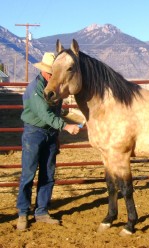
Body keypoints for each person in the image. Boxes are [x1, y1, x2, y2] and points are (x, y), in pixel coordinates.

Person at [16, 52, 81, 231]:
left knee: (48, 174)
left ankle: (41, 211)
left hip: (49, 134)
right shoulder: (34, 88)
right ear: (45, 72)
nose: (53, 76)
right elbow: (44, 114)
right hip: (34, 133)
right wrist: (65, 127)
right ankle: (23, 212)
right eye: (51, 73)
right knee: (28, 174)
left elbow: (57, 111)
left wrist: (72, 116)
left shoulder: (52, 88)